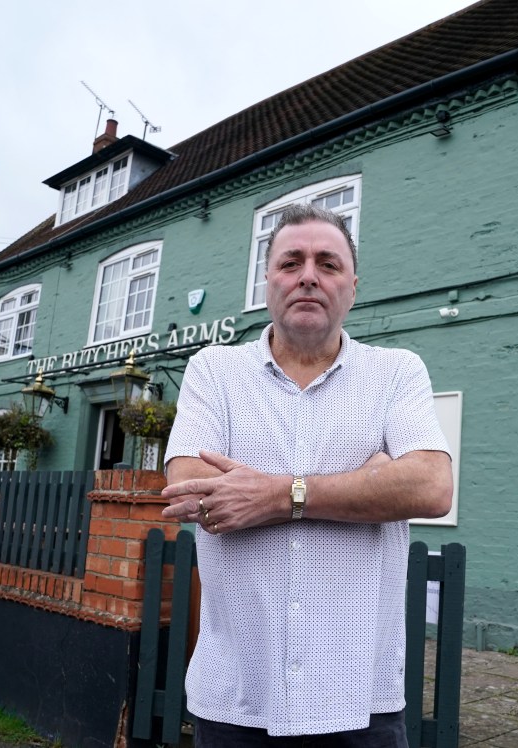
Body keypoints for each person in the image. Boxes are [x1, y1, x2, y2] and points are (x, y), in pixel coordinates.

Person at [161, 203, 453, 746]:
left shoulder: (397, 372)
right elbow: (190, 491)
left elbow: (432, 486)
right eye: (291, 262)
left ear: (353, 286)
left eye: (328, 263)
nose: (309, 276)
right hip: (236, 694)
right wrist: (369, 482)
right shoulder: (213, 372)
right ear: (268, 280)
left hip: (360, 698)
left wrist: (277, 494)